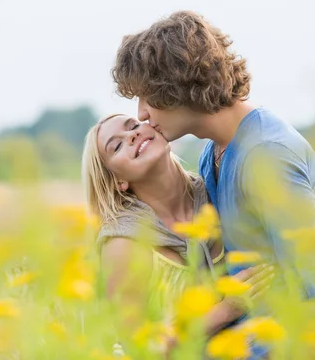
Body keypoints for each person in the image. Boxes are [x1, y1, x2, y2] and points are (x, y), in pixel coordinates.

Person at [110, 10, 315, 304]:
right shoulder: (212, 153)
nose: (141, 114)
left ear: (177, 85)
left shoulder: (267, 154)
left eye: (146, 95)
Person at [82, 113, 273, 358]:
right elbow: (138, 347)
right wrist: (226, 310)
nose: (132, 135)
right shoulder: (123, 242)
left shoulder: (216, 191)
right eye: (117, 145)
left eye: (133, 126)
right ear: (118, 181)